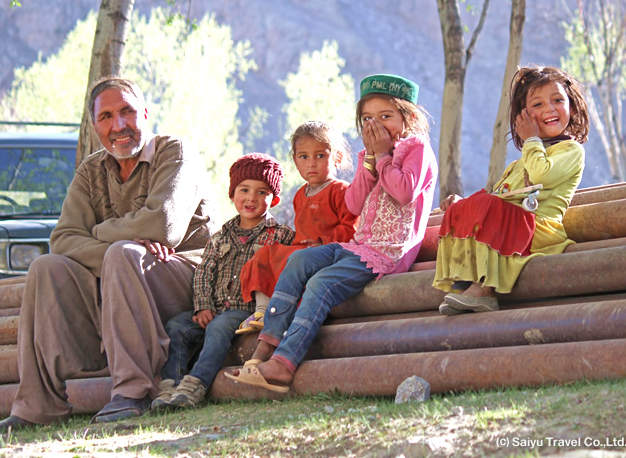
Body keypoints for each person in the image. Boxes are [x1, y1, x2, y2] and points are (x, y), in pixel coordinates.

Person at [0, 76, 219, 436]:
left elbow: (162, 226)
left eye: (127, 112)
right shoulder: (91, 170)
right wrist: (115, 245)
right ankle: (37, 407)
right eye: (107, 116)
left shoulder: (174, 151)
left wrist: (99, 232)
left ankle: (133, 392)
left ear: (145, 113)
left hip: (189, 278)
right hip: (120, 276)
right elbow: (63, 238)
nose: (119, 125)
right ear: (95, 125)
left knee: (122, 255)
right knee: (47, 267)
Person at [225, 74, 438, 392]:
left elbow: (404, 192)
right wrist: (369, 164)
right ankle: (263, 350)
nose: (377, 125)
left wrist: (381, 157)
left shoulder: (416, 149)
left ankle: (283, 365)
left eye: (386, 117)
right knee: (299, 262)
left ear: (408, 117)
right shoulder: (373, 157)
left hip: (388, 252)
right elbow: (353, 203)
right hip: (359, 246)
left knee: (321, 282)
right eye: (368, 118)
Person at [433, 65, 589, 315]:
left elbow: (541, 174)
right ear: (522, 118)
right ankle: (466, 275)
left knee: (489, 206)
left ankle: (484, 291)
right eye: (537, 105)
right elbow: (498, 197)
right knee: (466, 205)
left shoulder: (570, 150)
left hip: (539, 229)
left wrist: (530, 140)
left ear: (571, 106)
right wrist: (464, 205)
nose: (549, 108)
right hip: (514, 226)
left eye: (558, 100)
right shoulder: (519, 163)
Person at [150, 153, 294, 410]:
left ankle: (195, 384)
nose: (251, 198)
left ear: (275, 199)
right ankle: (170, 385)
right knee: (176, 327)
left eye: (262, 192)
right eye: (244, 190)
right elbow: (204, 272)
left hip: (247, 309)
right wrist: (203, 305)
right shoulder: (219, 237)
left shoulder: (281, 236)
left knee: (218, 328)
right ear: (232, 194)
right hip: (214, 307)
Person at [235, 120, 359, 334]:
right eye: (304, 157)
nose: (311, 163)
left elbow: (352, 228)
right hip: (300, 251)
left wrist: (322, 243)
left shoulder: (341, 190)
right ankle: (263, 312)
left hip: (326, 253)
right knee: (266, 255)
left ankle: (286, 312)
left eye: (320, 156)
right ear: (295, 160)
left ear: (337, 157)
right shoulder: (300, 195)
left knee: (295, 263)